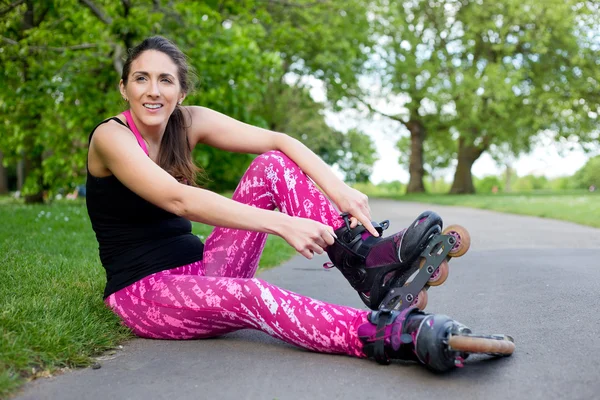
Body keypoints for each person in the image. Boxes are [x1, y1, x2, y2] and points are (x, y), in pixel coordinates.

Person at [86, 36, 513, 372]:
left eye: (166, 80)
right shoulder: (112, 137)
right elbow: (178, 199)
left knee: (271, 164)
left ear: (181, 91)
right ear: (124, 87)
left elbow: (279, 141)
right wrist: (279, 222)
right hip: (145, 295)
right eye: (141, 78)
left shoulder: (188, 120)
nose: (153, 91)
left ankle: (364, 261)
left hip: (204, 272)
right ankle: (379, 333)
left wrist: (338, 191)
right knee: (252, 295)